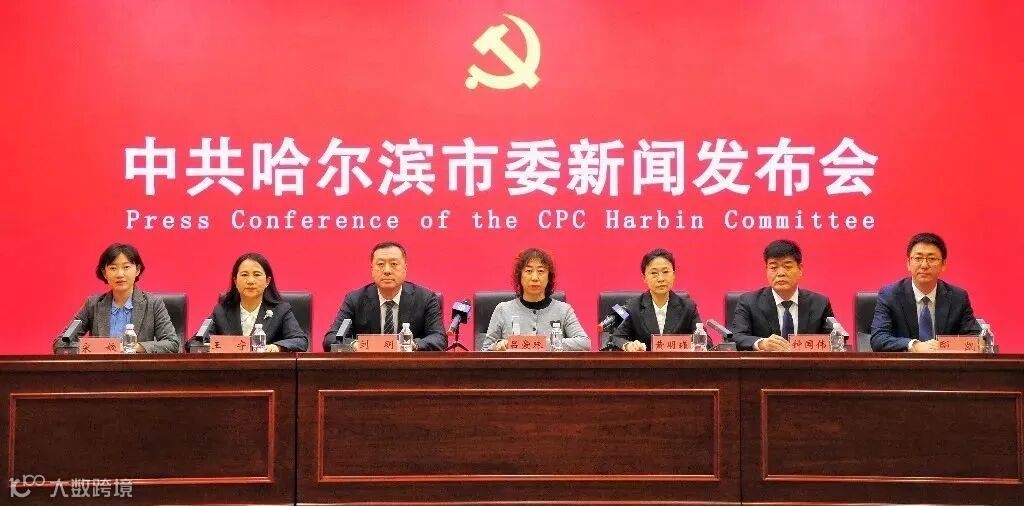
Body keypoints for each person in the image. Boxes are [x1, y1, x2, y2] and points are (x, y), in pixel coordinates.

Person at [323, 241, 446, 351]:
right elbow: (331, 338)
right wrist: (355, 345)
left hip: (411, 367)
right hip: (367, 367)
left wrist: (412, 345)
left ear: (405, 268)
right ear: (372, 269)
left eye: (394, 264)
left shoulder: (425, 299)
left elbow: (439, 338)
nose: (387, 270)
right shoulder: (355, 299)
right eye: (381, 264)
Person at [57, 243, 179, 353]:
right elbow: (60, 343)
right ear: (104, 273)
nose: (120, 274)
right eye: (113, 268)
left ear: (137, 270)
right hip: (102, 369)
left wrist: (132, 347)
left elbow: (172, 343)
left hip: (139, 369)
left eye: (126, 267)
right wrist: (99, 348)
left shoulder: (153, 304)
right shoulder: (93, 305)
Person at [870, 232, 981, 352]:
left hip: (944, 363)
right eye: (918, 258)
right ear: (908, 263)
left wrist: (943, 346)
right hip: (906, 363)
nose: (924, 265)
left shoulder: (958, 297)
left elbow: (976, 339)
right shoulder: (890, 295)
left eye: (932, 259)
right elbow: (878, 339)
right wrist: (914, 345)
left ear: (943, 264)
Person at [731, 239, 835, 351]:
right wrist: (762, 343)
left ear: (800, 269)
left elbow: (834, 341)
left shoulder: (820, 304)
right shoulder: (749, 302)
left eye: (787, 267)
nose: (780, 273)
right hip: (766, 362)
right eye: (773, 268)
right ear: (767, 270)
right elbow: (736, 337)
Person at [482, 248, 590, 351]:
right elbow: (485, 350)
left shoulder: (563, 310)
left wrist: (542, 344)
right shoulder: (502, 309)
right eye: (528, 271)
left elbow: (584, 343)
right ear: (520, 276)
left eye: (541, 271)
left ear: (549, 277)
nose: (534, 278)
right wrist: (497, 345)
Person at [204, 252, 308, 352]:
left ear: (267, 281)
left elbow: (300, 341)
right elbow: (197, 341)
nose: (250, 281)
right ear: (235, 281)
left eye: (257, 275)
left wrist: (277, 347)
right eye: (244, 275)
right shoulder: (221, 312)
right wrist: (211, 347)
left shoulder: (280, 311)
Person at [611, 248, 701, 351]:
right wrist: (628, 345)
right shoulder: (634, 307)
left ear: (673, 275)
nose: (661, 279)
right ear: (644, 277)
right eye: (654, 273)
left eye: (665, 272)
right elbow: (617, 338)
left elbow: (706, 341)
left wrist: (696, 346)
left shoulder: (688, 308)